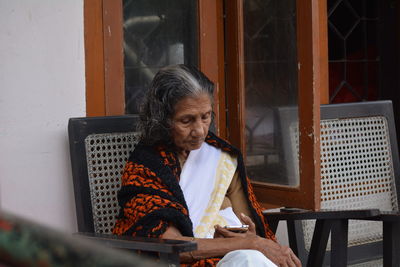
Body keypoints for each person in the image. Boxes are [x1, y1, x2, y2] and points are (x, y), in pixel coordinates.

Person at [113, 65, 301, 267]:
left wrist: (250, 236)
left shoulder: (221, 157)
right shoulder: (145, 168)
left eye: (206, 116)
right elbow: (171, 246)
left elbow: (250, 229)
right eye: (187, 120)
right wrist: (249, 244)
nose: (200, 131)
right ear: (163, 119)